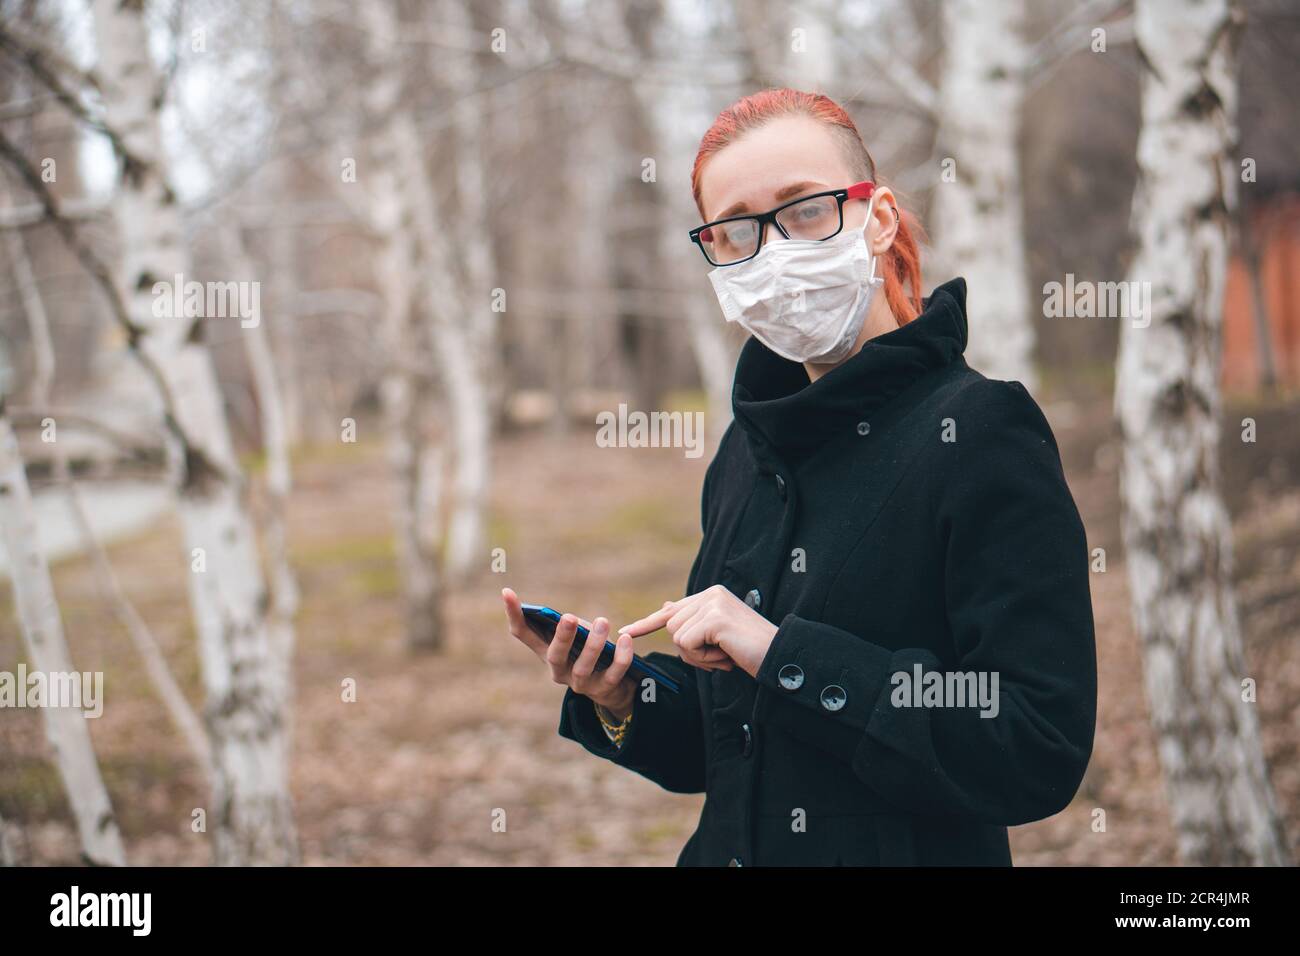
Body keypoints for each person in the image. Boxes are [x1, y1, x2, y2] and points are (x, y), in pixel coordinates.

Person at [502, 88, 1097, 866]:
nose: (773, 251)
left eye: (805, 209)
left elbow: (1031, 741)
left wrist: (781, 653)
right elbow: (728, 747)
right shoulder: (746, 452)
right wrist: (621, 695)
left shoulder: (981, 431)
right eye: (736, 230)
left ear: (877, 218)